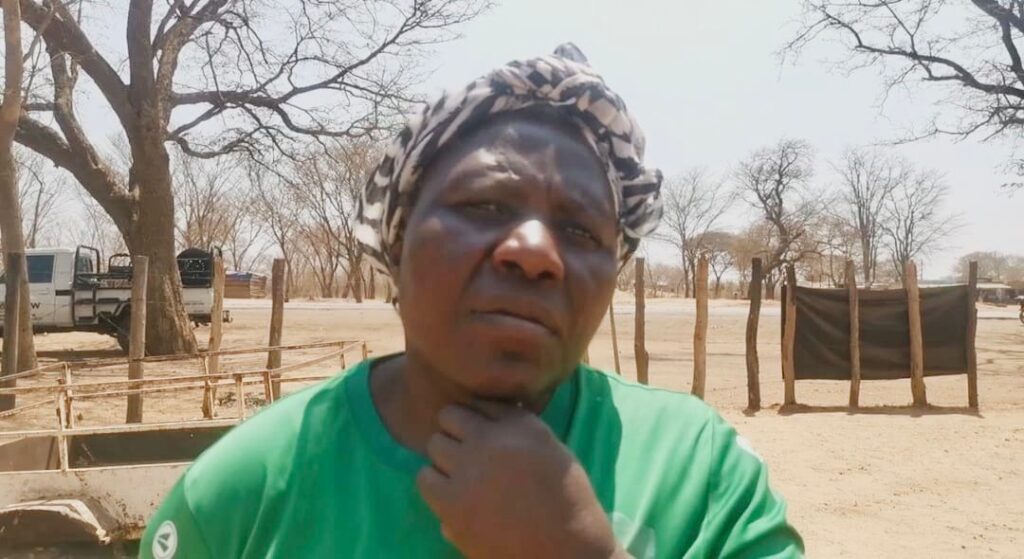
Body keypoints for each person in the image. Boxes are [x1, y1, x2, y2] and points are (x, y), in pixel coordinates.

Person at [140, 44, 803, 559]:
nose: (536, 251)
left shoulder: (701, 476)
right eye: (484, 206)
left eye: (580, 231)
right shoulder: (239, 494)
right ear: (397, 243)